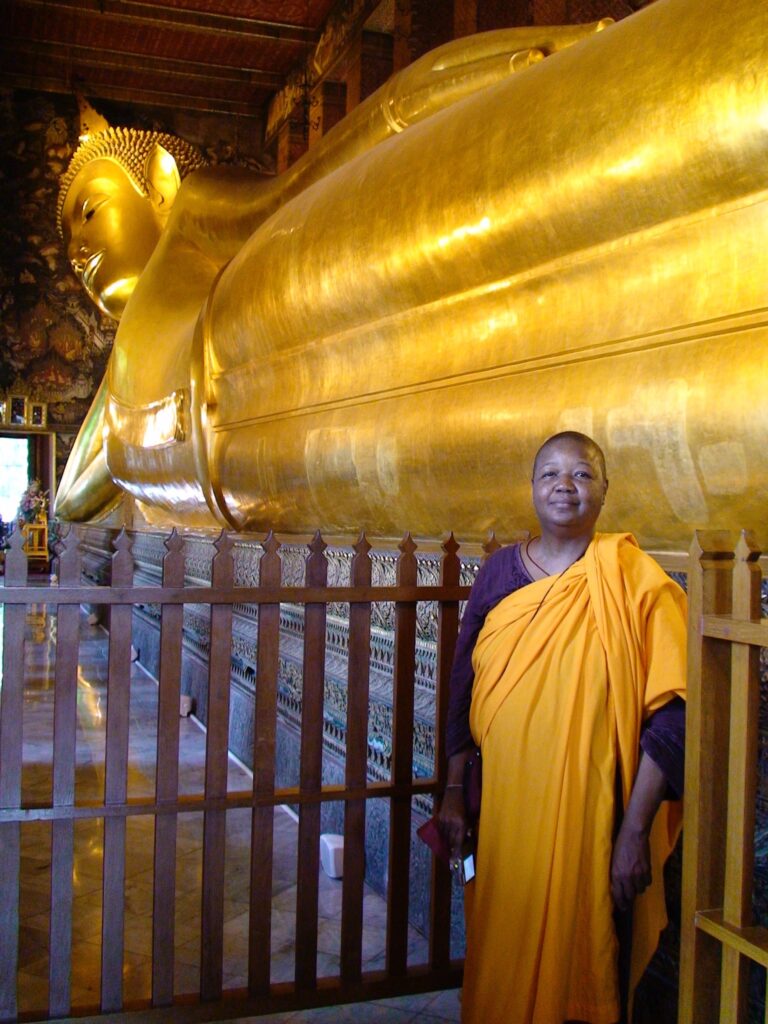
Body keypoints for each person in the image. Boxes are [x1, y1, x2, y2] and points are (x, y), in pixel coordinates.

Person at [52, 0, 768, 551]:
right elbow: (75, 492)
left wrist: (544, 54)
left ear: (163, 184)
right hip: (274, 440)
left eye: (88, 212)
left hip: (283, 288)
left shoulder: (218, 214)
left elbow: (375, 123)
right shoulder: (128, 376)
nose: (80, 253)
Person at [439, 431, 686, 1024]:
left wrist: (634, 832)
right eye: (551, 474)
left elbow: (672, 712)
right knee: (504, 944)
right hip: (504, 815)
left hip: (591, 820)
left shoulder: (632, 578)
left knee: (585, 951)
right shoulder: (499, 574)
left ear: (604, 491)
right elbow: (462, 689)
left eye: (581, 475)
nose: (565, 487)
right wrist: (451, 791)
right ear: (532, 489)